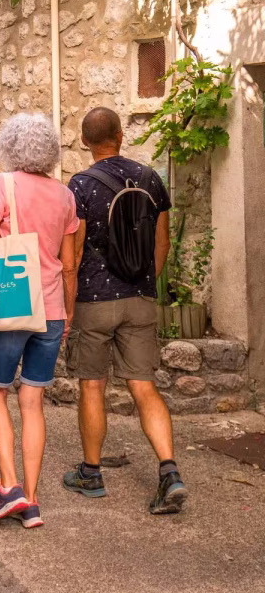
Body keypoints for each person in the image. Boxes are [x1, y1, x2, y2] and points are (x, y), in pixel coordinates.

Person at [64, 106, 188, 514]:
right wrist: (145, 283)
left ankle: (91, 473)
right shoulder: (151, 179)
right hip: (140, 298)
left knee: (92, 385)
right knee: (143, 386)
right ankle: (169, 471)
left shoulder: (79, 185)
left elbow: (76, 250)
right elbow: (162, 243)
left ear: (85, 141)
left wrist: (69, 303)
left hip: (94, 301)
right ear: (120, 135)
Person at [0, 113, 79, 529]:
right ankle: (32, 502)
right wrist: (67, 312)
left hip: (12, 303)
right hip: (52, 309)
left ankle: (9, 486)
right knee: (33, 401)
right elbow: (69, 265)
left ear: (11, 147)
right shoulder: (65, 196)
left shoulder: (2, 186)